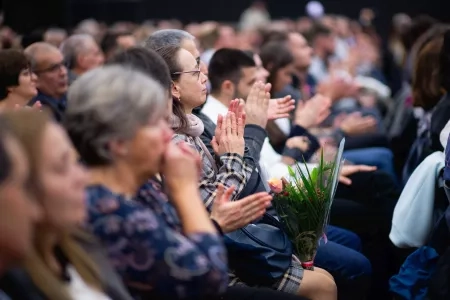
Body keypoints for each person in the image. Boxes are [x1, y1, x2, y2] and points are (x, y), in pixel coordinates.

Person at [153, 44, 336, 299]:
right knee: (326, 283)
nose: (205, 75)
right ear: (174, 87)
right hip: (229, 257)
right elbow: (219, 202)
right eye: (195, 71)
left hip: (240, 240)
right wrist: (240, 146)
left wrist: (228, 153)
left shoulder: (191, 129)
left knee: (326, 278)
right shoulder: (177, 142)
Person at [0, 110, 132, 300]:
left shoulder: (81, 245)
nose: (83, 177)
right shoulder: (15, 283)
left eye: (75, 162)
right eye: (61, 167)